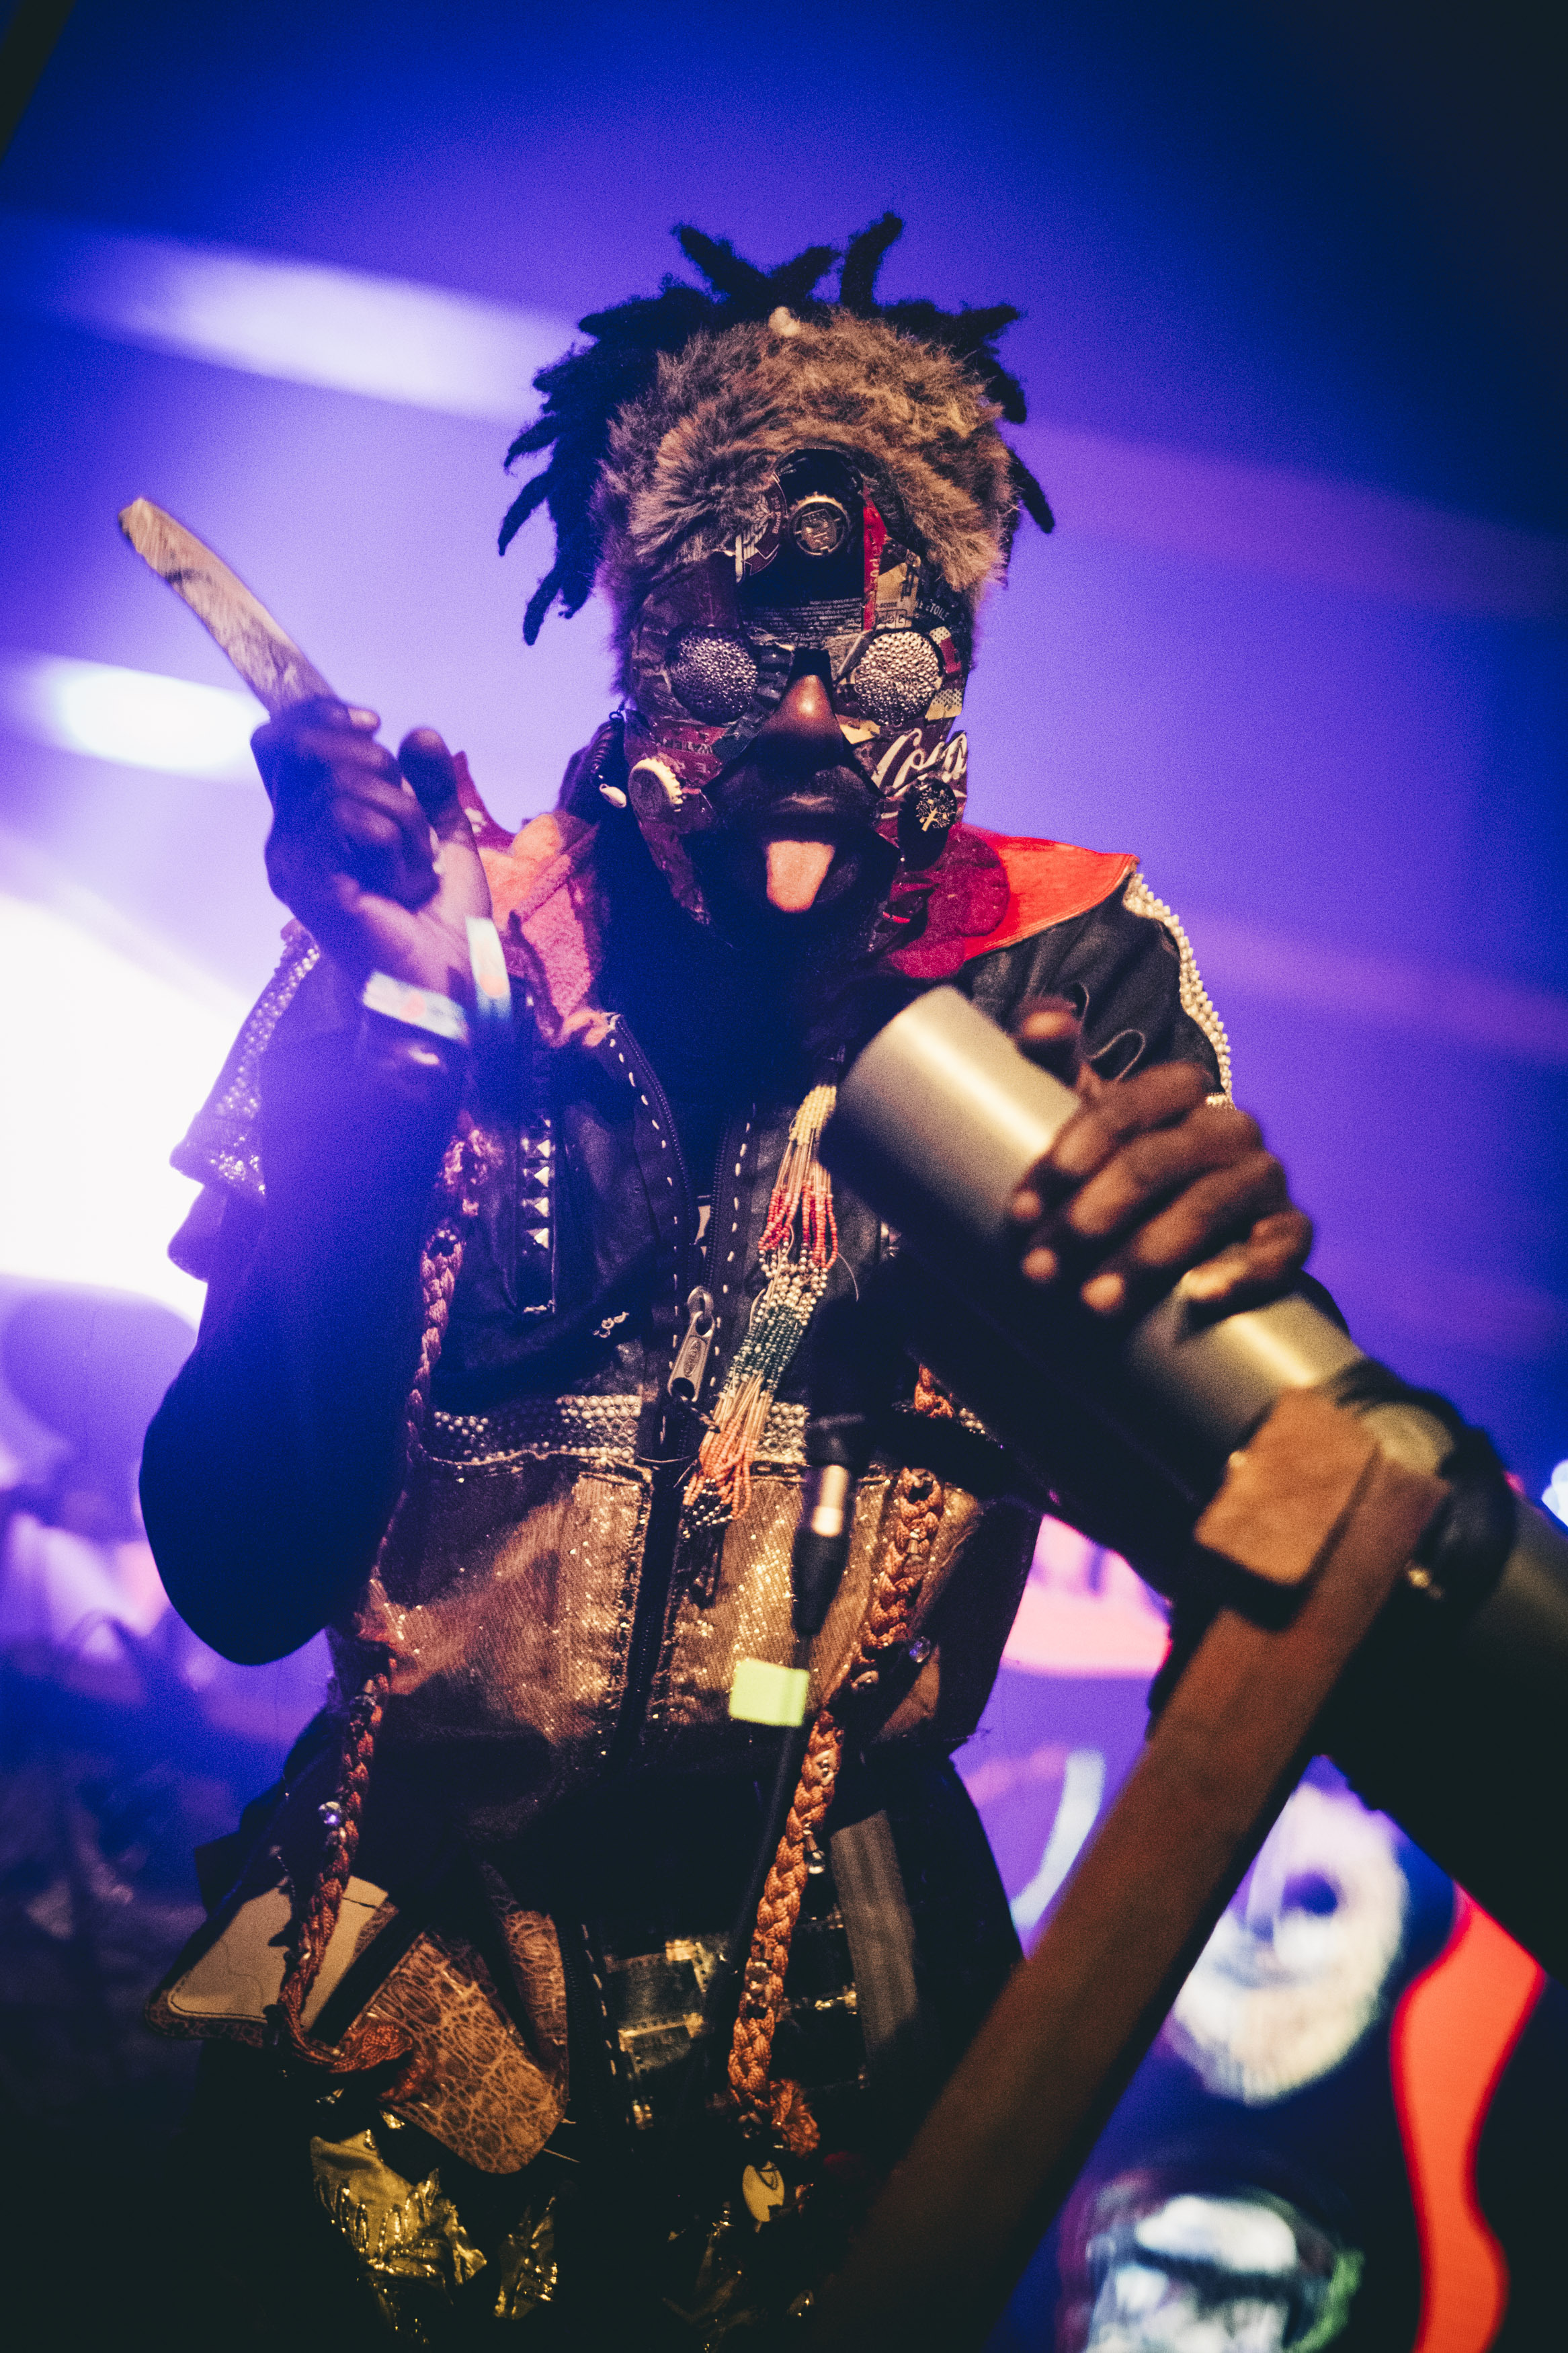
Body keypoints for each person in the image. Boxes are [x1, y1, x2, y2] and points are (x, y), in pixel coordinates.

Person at [138, 218, 1310, 2346]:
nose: (800, 712)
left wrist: (1222, 1334)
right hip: (395, 2038)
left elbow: (1249, 1561)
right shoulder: (455, 938)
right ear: (622, 631)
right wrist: (404, 1055)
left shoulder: (1061, 986)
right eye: (730, 637)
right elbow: (231, 1558)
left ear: (959, 646)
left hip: (847, 2066)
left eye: (879, 648)